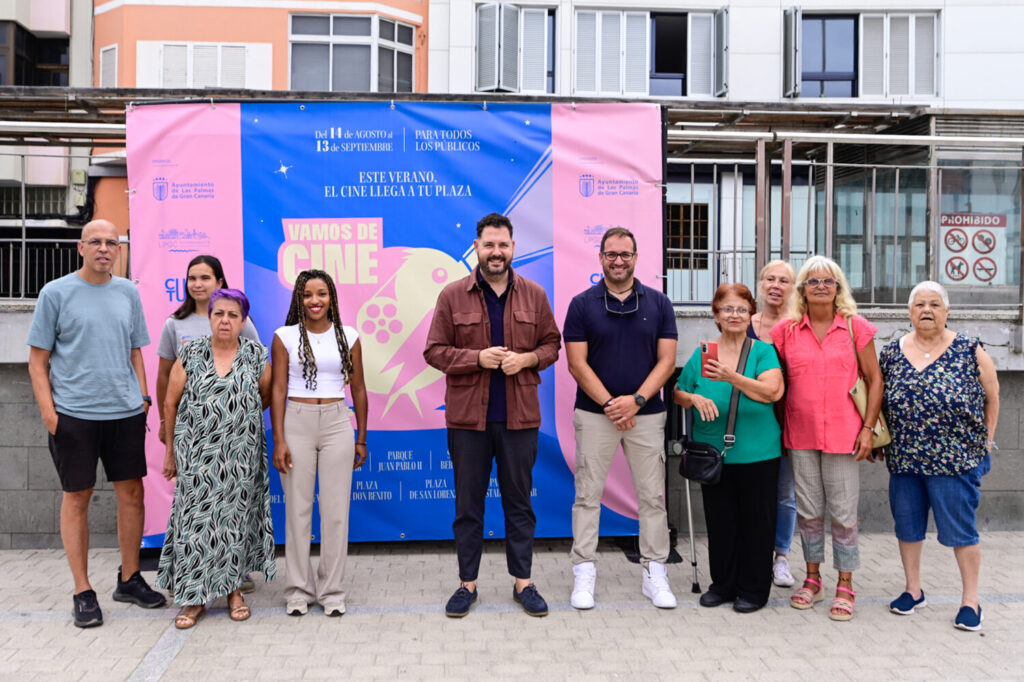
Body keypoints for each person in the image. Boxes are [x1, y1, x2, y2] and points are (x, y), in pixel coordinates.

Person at [27, 219, 166, 628]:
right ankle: (82, 590)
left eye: (112, 242)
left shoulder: (128, 292)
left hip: (123, 413)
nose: (105, 248)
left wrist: (141, 397)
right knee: (78, 498)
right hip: (74, 416)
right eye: (96, 242)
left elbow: (136, 351)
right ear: (80, 247)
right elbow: (37, 362)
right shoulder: (56, 293)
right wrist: (50, 415)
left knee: (133, 495)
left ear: (120, 250)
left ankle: (128, 579)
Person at [424, 212, 561, 618]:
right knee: (468, 506)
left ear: (513, 248)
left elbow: (553, 343)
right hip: (469, 422)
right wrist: (477, 358)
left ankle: (523, 582)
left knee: (519, 504)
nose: (496, 252)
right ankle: (467, 584)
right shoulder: (452, 295)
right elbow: (433, 351)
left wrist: (530, 359)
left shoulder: (534, 294)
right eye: (489, 245)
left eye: (503, 245)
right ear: (477, 248)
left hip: (520, 419)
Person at [563, 226, 679, 610]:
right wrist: (614, 404)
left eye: (625, 254)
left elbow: (667, 361)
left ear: (636, 257)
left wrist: (638, 400)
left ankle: (655, 572)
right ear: (600, 257)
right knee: (587, 495)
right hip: (595, 414)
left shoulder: (659, 303)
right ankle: (584, 570)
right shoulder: (581, 304)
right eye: (611, 254)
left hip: (647, 415)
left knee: (652, 497)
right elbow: (577, 365)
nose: (618, 261)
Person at [880, 281, 999, 631]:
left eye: (934, 304)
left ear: (947, 311)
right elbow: (879, 400)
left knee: (961, 531)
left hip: (955, 461)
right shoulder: (891, 353)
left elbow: (992, 396)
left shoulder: (969, 350)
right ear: (909, 312)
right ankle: (913, 590)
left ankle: (971, 601)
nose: (926, 310)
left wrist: (987, 442)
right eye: (919, 304)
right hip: (904, 458)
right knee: (908, 527)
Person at [770, 255, 882, 621]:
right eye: (813, 281)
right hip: (799, 434)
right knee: (808, 512)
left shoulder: (855, 328)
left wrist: (867, 429)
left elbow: (874, 380)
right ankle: (813, 579)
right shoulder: (785, 332)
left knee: (844, 514)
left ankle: (846, 583)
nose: (821, 286)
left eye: (828, 281)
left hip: (845, 436)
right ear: (801, 289)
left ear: (838, 288)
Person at [158, 289, 275, 629]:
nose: (225, 320)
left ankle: (234, 591)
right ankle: (194, 599)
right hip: (195, 456)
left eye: (233, 315)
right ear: (209, 317)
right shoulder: (191, 353)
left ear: (243, 321)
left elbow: (264, 395)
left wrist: (235, 420)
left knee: (234, 524)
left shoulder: (255, 355)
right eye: (218, 314)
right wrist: (170, 452)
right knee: (196, 525)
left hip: (240, 456)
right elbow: (171, 402)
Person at [675, 283, 784, 613]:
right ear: (716, 315)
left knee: (757, 522)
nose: (734, 315)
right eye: (727, 309)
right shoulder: (703, 352)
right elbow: (679, 392)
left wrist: (730, 376)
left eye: (741, 309)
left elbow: (772, 392)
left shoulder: (763, 352)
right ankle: (722, 584)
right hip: (714, 454)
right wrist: (693, 397)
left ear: (751, 313)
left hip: (758, 453)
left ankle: (753, 589)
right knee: (721, 522)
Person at [271, 269, 368, 617]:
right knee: (297, 511)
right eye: (308, 294)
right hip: (296, 421)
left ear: (332, 298)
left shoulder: (349, 335)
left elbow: (358, 389)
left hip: (337, 423)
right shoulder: (284, 336)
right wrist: (279, 438)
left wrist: (361, 438)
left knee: (335, 511)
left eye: (322, 294)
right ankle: (298, 590)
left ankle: (332, 591)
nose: (315, 300)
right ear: (299, 298)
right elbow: (278, 389)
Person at [749, 260, 799, 588]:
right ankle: (753, 554)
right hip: (751, 419)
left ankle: (781, 556)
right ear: (761, 283)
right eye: (770, 279)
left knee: (784, 492)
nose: (776, 285)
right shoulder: (743, 321)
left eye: (784, 280)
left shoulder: (798, 324)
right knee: (753, 491)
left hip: (789, 416)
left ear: (793, 288)